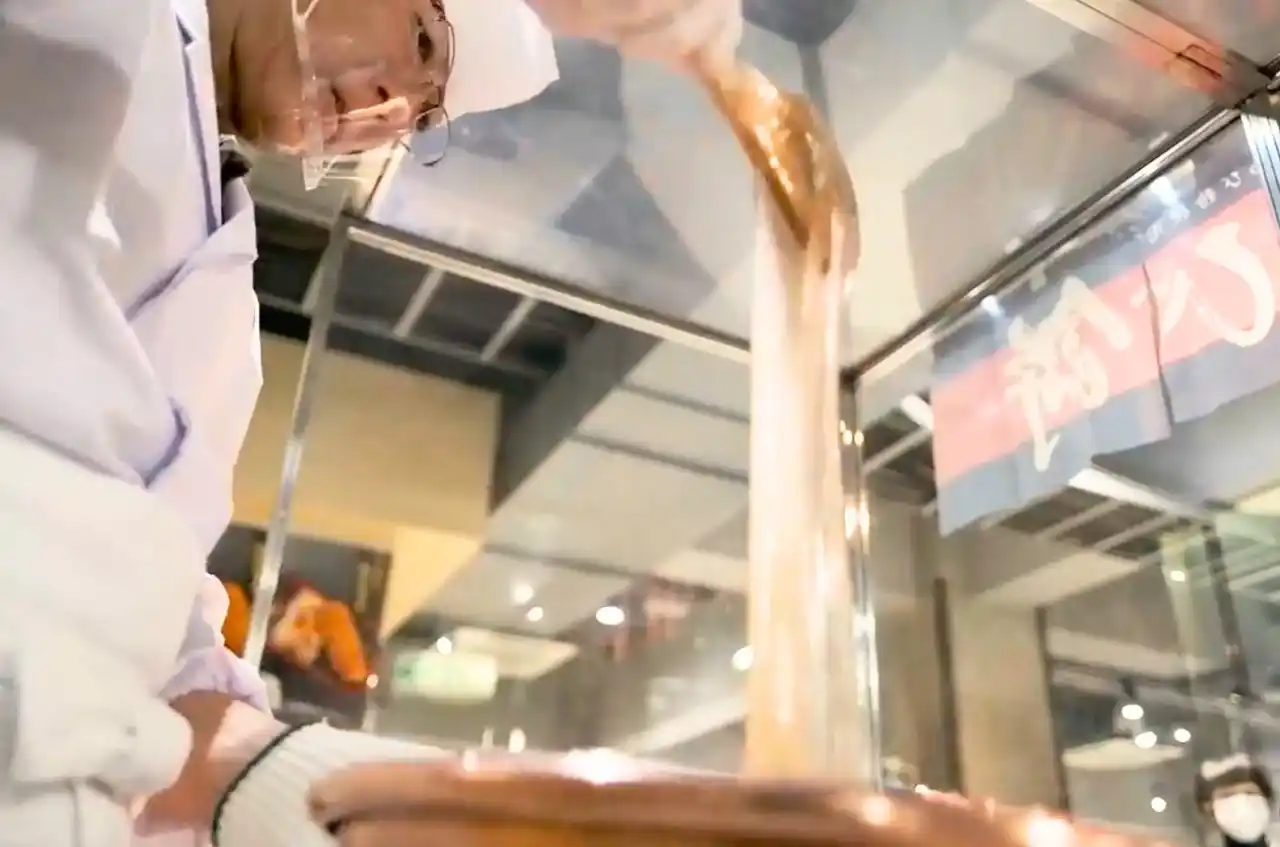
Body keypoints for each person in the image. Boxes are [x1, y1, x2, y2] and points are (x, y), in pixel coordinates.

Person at [0, 0, 741, 845]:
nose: (393, 107)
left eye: (423, 114)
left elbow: (157, 635)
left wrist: (325, 783)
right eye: (422, 39)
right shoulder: (99, 27)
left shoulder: (226, 294)